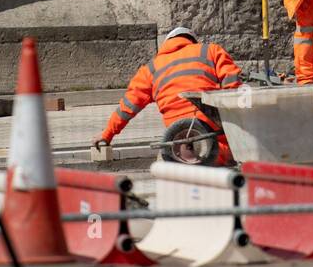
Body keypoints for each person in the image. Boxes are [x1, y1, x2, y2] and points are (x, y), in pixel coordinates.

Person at [92, 27, 244, 165]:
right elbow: (233, 86)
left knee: (166, 162)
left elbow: (127, 107)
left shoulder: (151, 69)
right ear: (191, 41)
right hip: (215, 142)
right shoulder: (210, 51)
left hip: (178, 142)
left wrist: (107, 134)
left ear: (166, 44)